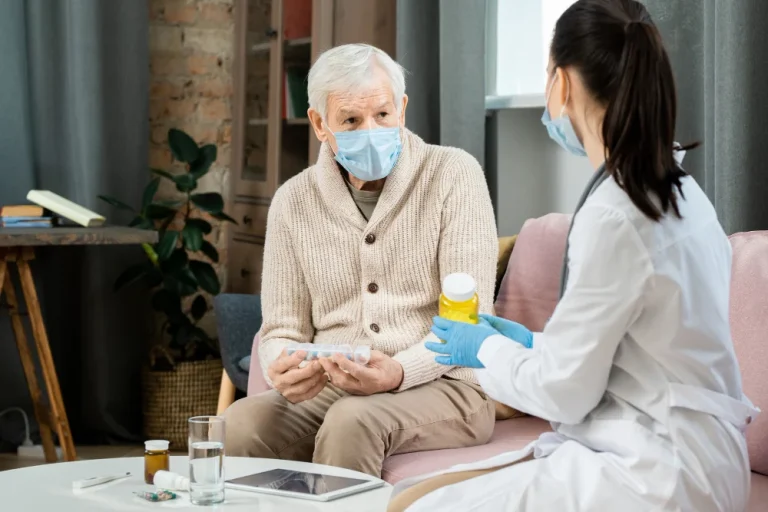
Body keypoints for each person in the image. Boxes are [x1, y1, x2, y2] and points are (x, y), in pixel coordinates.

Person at [388, 1, 759, 511]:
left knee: (420, 507)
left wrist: (486, 350)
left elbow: (565, 393)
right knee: (413, 494)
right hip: (692, 457)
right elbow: (628, 352)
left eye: (547, 74)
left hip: (657, 474)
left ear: (562, 83)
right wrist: (532, 344)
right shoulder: (679, 192)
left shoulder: (618, 215)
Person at [224, 43, 499, 477]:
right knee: (237, 425)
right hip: (338, 387)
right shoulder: (293, 201)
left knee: (352, 422)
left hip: (447, 383)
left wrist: (398, 372)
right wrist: (282, 366)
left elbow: (470, 320)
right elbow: (281, 330)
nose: (370, 130)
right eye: (351, 120)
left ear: (402, 109)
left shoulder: (453, 174)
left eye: (383, 115)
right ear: (319, 123)